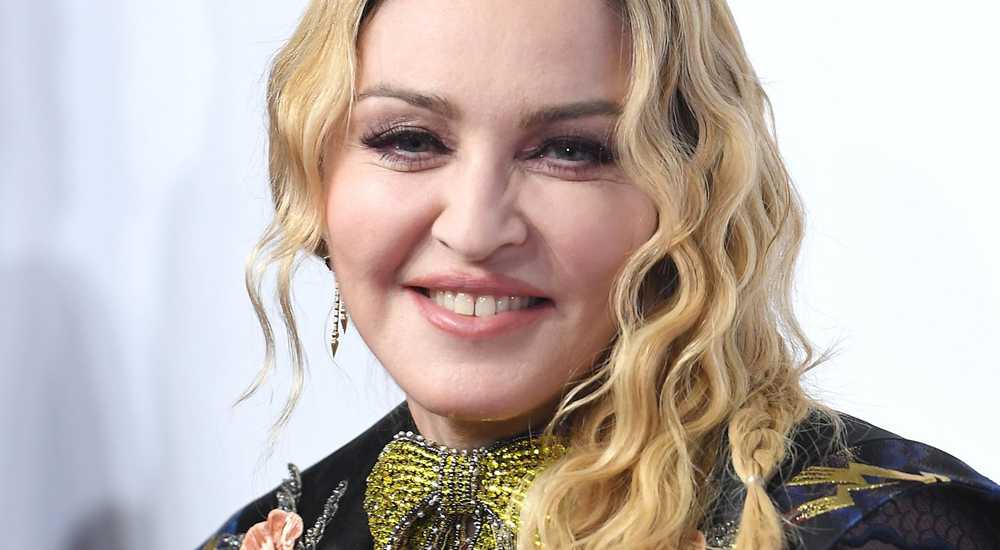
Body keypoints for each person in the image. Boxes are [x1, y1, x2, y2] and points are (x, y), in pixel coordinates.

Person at [197, 1, 1000, 549]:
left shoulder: (894, 527)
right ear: (315, 177)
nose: (473, 229)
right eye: (409, 139)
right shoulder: (257, 538)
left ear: (691, 191)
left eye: (572, 150)